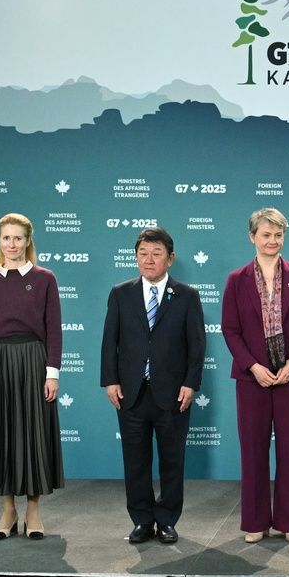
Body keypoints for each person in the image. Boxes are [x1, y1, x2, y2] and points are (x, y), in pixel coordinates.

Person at [101, 227, 206, 545]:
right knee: (135, 460)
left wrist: (191, 383)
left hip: (173, 393)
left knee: (173, 459)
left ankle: (167, 519)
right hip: (131, 392)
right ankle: (142, 521)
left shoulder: (187, 295)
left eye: (156, 253)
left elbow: (197, 345)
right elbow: (110, 342)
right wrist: (110, 380)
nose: (149, 259)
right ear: (135, 257)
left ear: (170, 259)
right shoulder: (121, 293)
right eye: (143, 253)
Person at [222, 208, 289, 544]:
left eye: (278, 235)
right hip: (253, 379)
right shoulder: (237, 280)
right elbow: (230, 329)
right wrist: (252, 366)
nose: (272, 241)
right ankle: (256, 522)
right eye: (266, 235)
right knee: (253, 452)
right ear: (252, 237)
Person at [0, 213, 63, 540]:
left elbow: (54, 330)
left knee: (34, 434)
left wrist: (52, 373)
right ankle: (8, 510)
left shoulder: (45, 278)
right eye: (6, 238)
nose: (12, 244)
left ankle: (33, 510)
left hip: (34, 361)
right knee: (2, 433)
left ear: (28, 241)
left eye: (18, 238)